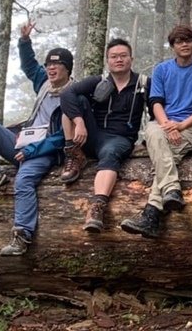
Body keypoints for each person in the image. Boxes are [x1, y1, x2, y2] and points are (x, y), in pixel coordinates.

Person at [0, 20, 73, 256]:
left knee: (23, 181)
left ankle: (23, 235)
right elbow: (29, 65)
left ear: (67, 68)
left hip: (44, 151)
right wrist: (25, 41)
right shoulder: (44, 84)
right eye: (49, 65)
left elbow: (62, 138)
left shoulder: (73, 94)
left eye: (57, 65)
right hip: (22, 142)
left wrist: (32, 151)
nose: (51, 69)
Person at [120, 25, 192, 239]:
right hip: (163, 123)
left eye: (188, 40)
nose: (185, 44)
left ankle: (152, 214)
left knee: (167, 154)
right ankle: (171, 190)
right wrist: (167, 124)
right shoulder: (162, 70)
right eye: (180, 41)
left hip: (190, 126)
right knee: (152, 132)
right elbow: (155, 102)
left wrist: (180, 126)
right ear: (173, 46)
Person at [59, 38, 148, 233]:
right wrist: (80, 122)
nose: (119, 60)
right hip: (91, 135)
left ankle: (97, 208)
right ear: (108, 60)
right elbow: (66, 95)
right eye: (114, 56)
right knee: (74, 100)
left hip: (119, 139)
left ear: (131, 59)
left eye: (123, 56)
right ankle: (74, 155)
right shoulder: (98, 81)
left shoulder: (142, 83)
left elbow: (157, 108)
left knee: (110, 153)